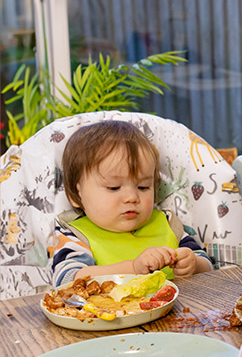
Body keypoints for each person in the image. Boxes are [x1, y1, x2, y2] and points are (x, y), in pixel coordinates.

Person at [49, 121, 213, 285]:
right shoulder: (75, 235)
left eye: (143, 187)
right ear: (76, 195)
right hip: (106, 310)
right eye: (114, 188)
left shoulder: (167, 223)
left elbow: (207, 266)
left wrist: (193, 264)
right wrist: (133, 268)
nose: (131, 197)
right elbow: (68, 280)